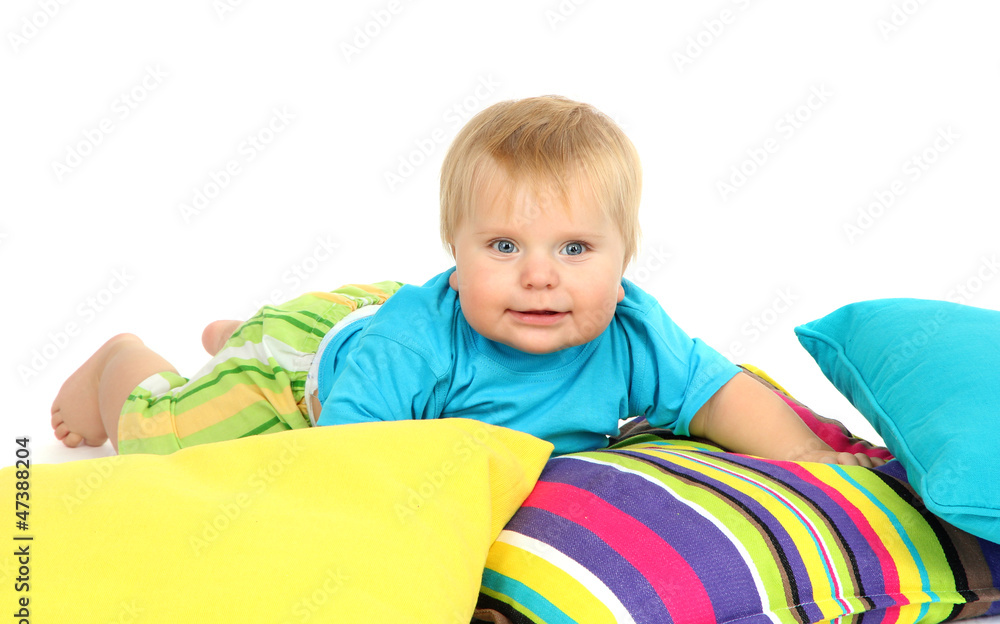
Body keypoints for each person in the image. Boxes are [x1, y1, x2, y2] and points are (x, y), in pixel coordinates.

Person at [51, 95, 880, 466]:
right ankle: (127, 360)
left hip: (361, 324)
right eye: (505, 246)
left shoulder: (633, 331)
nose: (540, 277)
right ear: (454, 249)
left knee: (310, 331)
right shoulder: (418, 342)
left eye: (576, 250)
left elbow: (717, 392)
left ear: (626, 255)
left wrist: (806, 452)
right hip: (310, 382)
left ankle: (242, 331)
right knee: (161, 440)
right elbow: (345, 462)